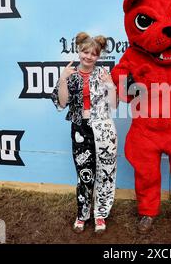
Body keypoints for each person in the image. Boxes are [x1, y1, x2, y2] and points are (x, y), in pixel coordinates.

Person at [51, 32, 118, 234]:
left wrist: (111, 85)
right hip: (80, 129)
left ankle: (100, 215)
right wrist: (62, 79)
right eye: (85, 52)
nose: (88, 57)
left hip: (104, 129)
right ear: (78, 51)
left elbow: (113, 105)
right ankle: (82, 214)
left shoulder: (103, 74)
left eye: (94, 54)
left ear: (99, 56)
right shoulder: (70, 75)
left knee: (105, 173)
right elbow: (61, 104)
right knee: (84, 175)